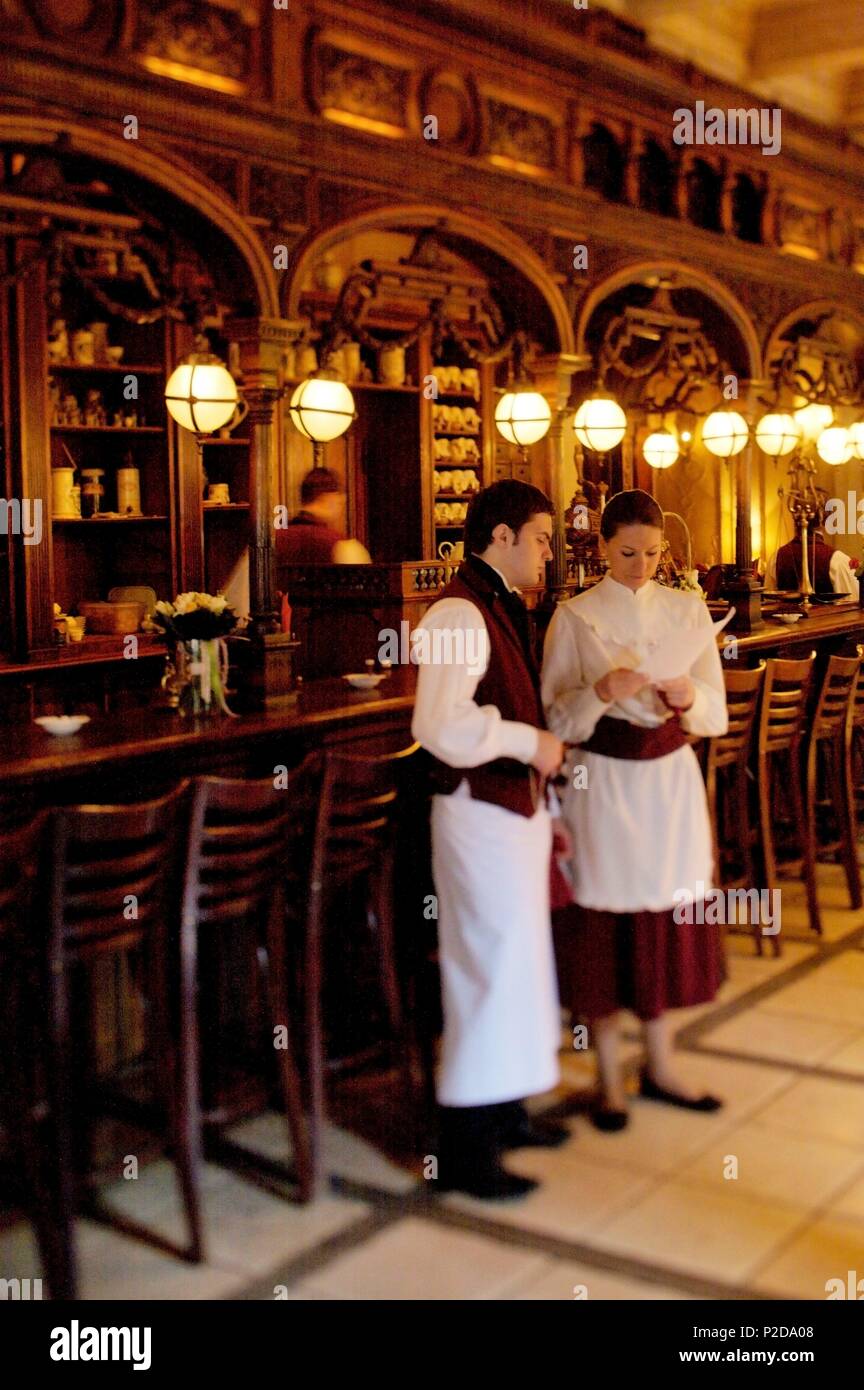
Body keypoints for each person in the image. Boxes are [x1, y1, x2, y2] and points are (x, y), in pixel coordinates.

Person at [541, 489, 728, 1131]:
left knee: (661, 916)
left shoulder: (688, 608)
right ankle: (607, 1077)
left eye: (651, 553)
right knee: (604, 918)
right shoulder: (573, 616)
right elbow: (555, 718)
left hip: (668, 779)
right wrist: (599, 690)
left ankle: (662, 1062)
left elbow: (716, 712)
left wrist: (685, 695)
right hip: (602, 778)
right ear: (602, 548)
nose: (640, 565)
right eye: (626, 553)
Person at [411, 480, 569, 1200]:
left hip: (511, 813)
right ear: (500, 536)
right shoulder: (456, 610)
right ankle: (466, 1150)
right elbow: (437, 726)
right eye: (540, 537)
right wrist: (527, 739)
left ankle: (506, 1113)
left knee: (519, 968)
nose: (550, 552)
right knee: (485, 972)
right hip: (476, 814)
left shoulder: (498, 603)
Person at [275, 466, 371, 571]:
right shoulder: (343, 546)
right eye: (339, 499)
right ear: (328, 497)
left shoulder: (274, 540)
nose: (341, 504)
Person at [764, 512, 859, 600]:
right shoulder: (838, 560)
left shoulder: (776, 557)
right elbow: (854, 602)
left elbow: (769, 601)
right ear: (823, 519)